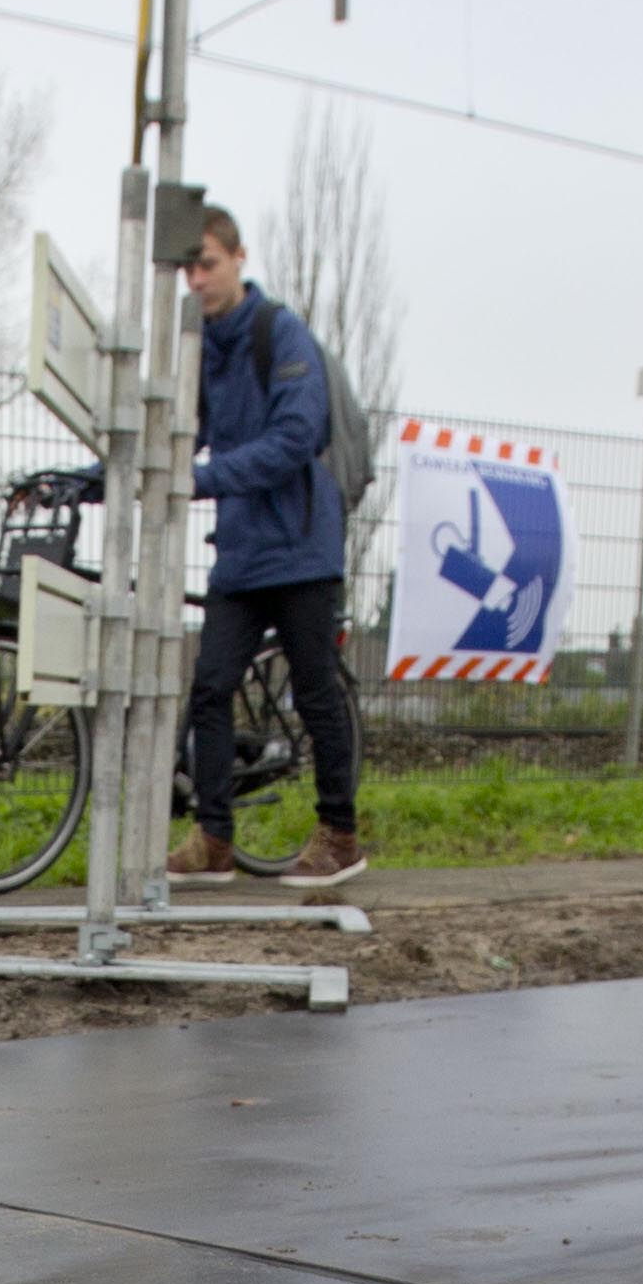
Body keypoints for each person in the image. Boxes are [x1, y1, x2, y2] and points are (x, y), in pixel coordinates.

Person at [173, 209, 365, 889]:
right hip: (242, 553)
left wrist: (203, 477)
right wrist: (96, 480)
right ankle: (215, 839)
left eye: (209, 263)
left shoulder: (277, 333)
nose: (198, 279)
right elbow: (177, 439)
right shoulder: (203, 352)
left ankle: (340, 835)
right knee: (210, 687)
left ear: (238, 259)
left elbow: (296, 436)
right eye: (188, 268)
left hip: (301, 549)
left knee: (315, 693)